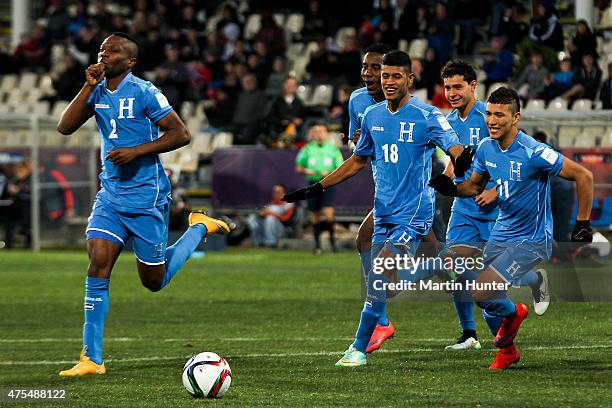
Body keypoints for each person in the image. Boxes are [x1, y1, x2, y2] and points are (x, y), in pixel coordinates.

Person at [55, 32, 232, 377]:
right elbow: (64, 127)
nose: (105, 52)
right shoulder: (97, 91)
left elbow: (180, 134)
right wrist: (87, 86)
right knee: (97, 264)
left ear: (130, 61)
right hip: (110, 194)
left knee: (154, 281)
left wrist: (136, 151)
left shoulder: (145, 92)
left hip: (147, 197)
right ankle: (92, 359)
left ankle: (198, 227)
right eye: (102, 48)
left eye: (113, 49)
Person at [284, 50, 474, 367]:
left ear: (410, 79)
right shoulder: (372, 116)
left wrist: (460, 160)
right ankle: (452, 269)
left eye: (395, 75)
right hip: (383, 209)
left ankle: (357, 349)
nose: (387, 81)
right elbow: (358, 160)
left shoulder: (428, 116)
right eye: (384, 75)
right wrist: (318, 187)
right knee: (386, 275)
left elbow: (454, 148)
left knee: (380, 276)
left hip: (415, 211)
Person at [429, 87, 594, 369]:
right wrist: (452, 189)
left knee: (482, 291)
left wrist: (582, 224)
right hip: (501, 232)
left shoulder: (534, 152)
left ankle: (515, 315)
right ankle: (508, 349)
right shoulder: (485, 147)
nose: (491, 121)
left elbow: (584, 175)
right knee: (482, 292)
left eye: (500, 115)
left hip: (531, 238)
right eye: (489, 114)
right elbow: (475, 185)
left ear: (515, 117)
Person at [440, 60, 549, 351]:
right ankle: (469, 334)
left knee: (490, 276)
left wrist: (495, 190)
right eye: (447, 86)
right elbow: (457, 161)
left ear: (473, 86)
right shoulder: (449, 121)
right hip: (464, 206)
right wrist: (448, 180)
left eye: (458, 86)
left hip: (495, 210)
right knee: (457, 266)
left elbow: (510, 164)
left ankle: (533, 280)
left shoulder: (488, 114)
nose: (451, 92)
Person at [295, 122, 344, 254]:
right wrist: (308, 171)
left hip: (327, 184)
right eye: (316, 131)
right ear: (313, 133)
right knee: (315, 214)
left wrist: (328, 174)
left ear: (326, 133)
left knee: (328, 214)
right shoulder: (307, 149)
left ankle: (333, 243)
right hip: (312, 184)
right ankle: (317, 246)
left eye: (322, 131)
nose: (319, 133)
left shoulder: (333, 149)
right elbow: (298, 167)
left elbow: (339, 167)